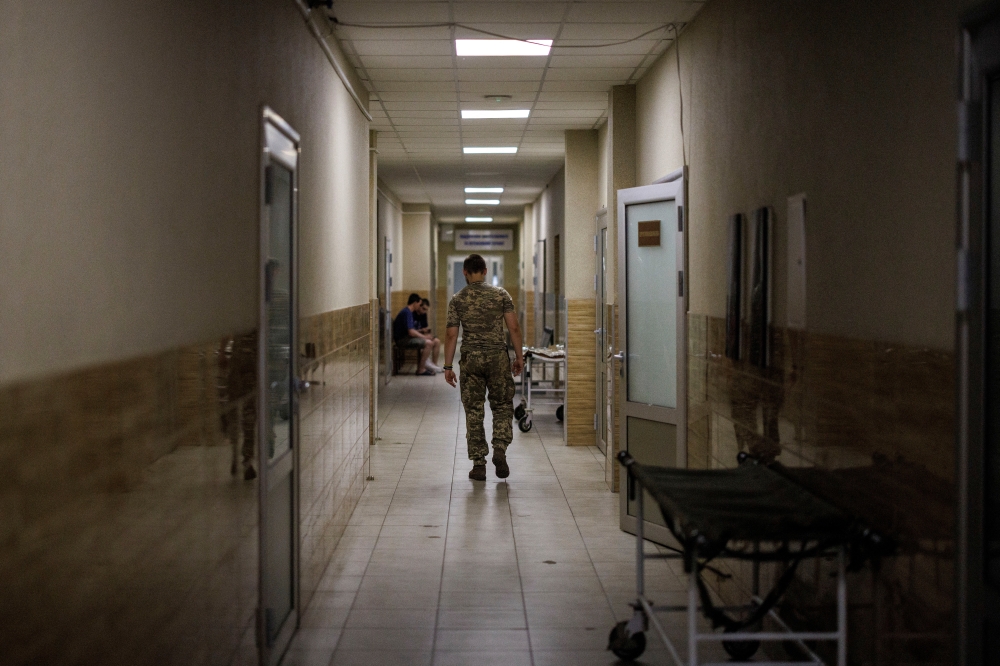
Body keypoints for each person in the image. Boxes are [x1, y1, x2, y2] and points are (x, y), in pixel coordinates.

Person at [443, 254, 524, 481]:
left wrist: (447, 366)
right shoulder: (501, 295)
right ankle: (500, 448)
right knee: (501, 405)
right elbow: (514, 328)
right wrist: (519, 357)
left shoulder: (458, 299)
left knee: (474, 410)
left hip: (471, 360)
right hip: (497, 357)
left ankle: (479, 464)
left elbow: (451, 334)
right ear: (485, 271)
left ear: (465, 272)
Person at [394, 293, 442, 375]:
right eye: (419, 304)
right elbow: (411, 332)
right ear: (415, 303)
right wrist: (424, 337)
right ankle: (421, 369)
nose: (419, 306)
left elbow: (412, 330)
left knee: (434, 341)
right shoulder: (407, 312)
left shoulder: (407, 312)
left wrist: (424, 335)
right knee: (429, 343)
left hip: (407, 337)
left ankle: (431, 365)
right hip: (403, 339)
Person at [415, 298, 442, 366]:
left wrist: (428, 334)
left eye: (426, 309)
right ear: (419, 306)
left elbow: (425, 327)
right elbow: (411, 331)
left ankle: (434, 364)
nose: (424, 311)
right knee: (429, 343)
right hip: (415, 335)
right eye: (423, 309)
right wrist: (422, 331)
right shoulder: (412, 314)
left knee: (437, 341)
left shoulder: (423, 315)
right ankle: (422, 366)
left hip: (421, 335)